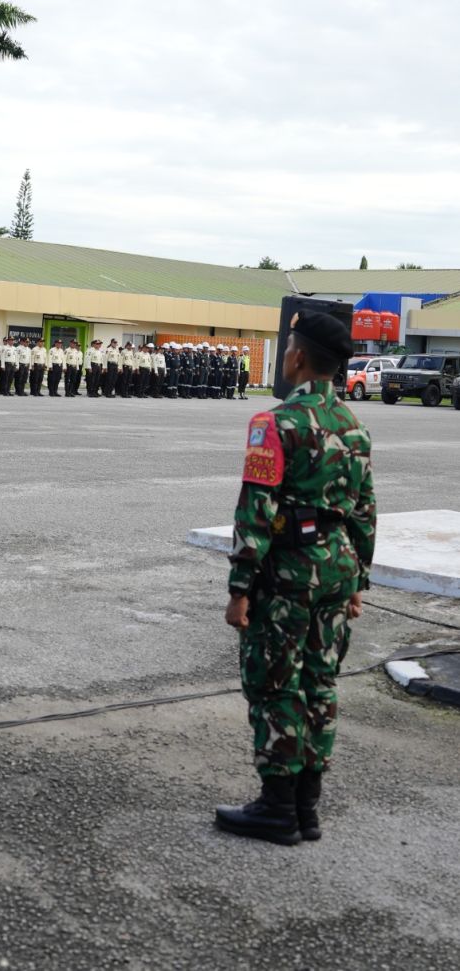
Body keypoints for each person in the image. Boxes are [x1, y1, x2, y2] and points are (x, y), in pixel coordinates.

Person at [215, 311, 376, 846]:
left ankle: (277, 808)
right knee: (320, 682)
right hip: (337, 566)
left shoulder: (275, 423)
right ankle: (307, 809)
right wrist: (358, 582)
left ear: (299, 358)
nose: (284, 355)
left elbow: (255, 511)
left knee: (275, 684)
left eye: (287, 347)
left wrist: (240, 588)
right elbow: (365, 510)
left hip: (287, 573)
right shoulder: (354, 427)